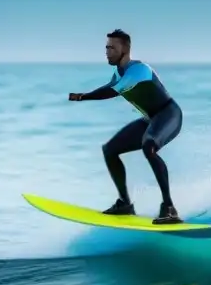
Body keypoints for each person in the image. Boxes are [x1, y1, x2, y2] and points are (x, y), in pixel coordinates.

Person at [69, 29, 183, 225]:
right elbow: (112, 84)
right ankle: (124, 203)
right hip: (150, 119)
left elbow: (113, 90)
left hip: (169, 114)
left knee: (149, 146)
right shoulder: (118, 73)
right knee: (110, 149)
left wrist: (83, 96)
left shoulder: (139, 70)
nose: (107, 51)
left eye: (112, 48)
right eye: (106, 47)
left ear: (125, 49)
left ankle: (169, 208)